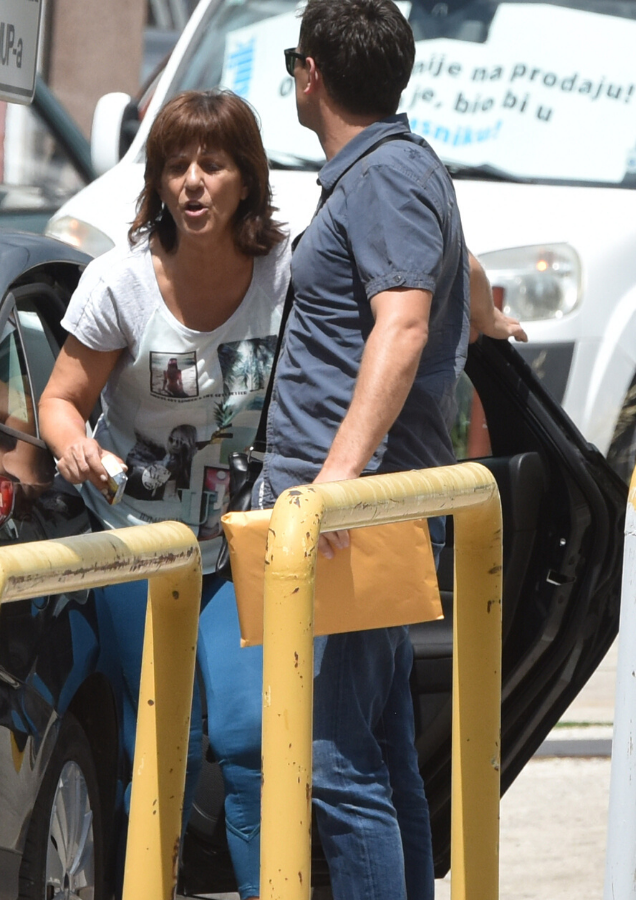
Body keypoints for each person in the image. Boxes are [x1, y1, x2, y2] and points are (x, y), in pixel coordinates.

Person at [266, 3, 524, 899]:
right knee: (377, 748)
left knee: (336, 760)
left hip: (351, 515)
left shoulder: (384, 178)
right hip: (354, 514)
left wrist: (335, 483)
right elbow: (445, 265)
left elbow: (404, 323)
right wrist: (485, 309)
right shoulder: (395, 172)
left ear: (311, 76)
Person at [39, 89, 289, 900]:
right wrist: (73, 442)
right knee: (161, 745)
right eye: (176, 165)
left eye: (212, 164)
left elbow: (397, 271)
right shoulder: (121, 283)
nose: (193, 182)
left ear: (245, 179)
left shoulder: (284, 275)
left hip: (239, 538)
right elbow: (59, 399)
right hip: (137, 542)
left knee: (252, 742)